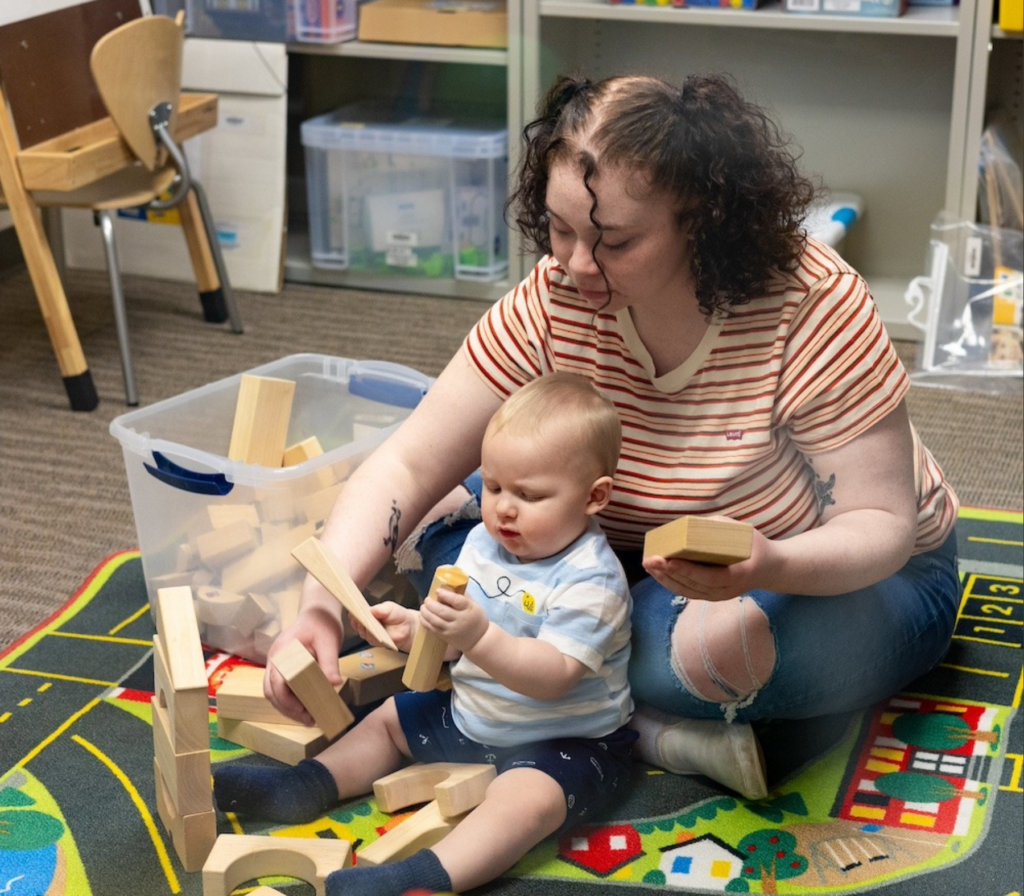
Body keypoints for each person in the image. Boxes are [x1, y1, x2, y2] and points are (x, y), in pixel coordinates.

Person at [265, 73, 961, 806]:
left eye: (615, 242)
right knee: (452, 526)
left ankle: (635, 717)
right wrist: (317, 607)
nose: (574, 265)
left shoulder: (811, 304)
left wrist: (770, 562)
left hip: (845, 573)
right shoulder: (555, 296)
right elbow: (409, 461)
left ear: (708, 221)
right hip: (624, 553)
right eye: (559, 230)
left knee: (685, 656)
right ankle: (620, 704)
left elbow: (880, 527)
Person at [215, 372, 636, 896]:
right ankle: (303, 786)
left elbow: (552, 676)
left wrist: (477, 635)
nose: (503, 507)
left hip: (567, 739)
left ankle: (422, 878)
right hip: (473, 712)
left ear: (594, 497)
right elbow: (459, 636)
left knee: (525, 801)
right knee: (389, 719)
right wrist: (419, 628)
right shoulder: (486, 540)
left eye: (529, 495)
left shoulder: (592, 580)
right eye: (496, 485)